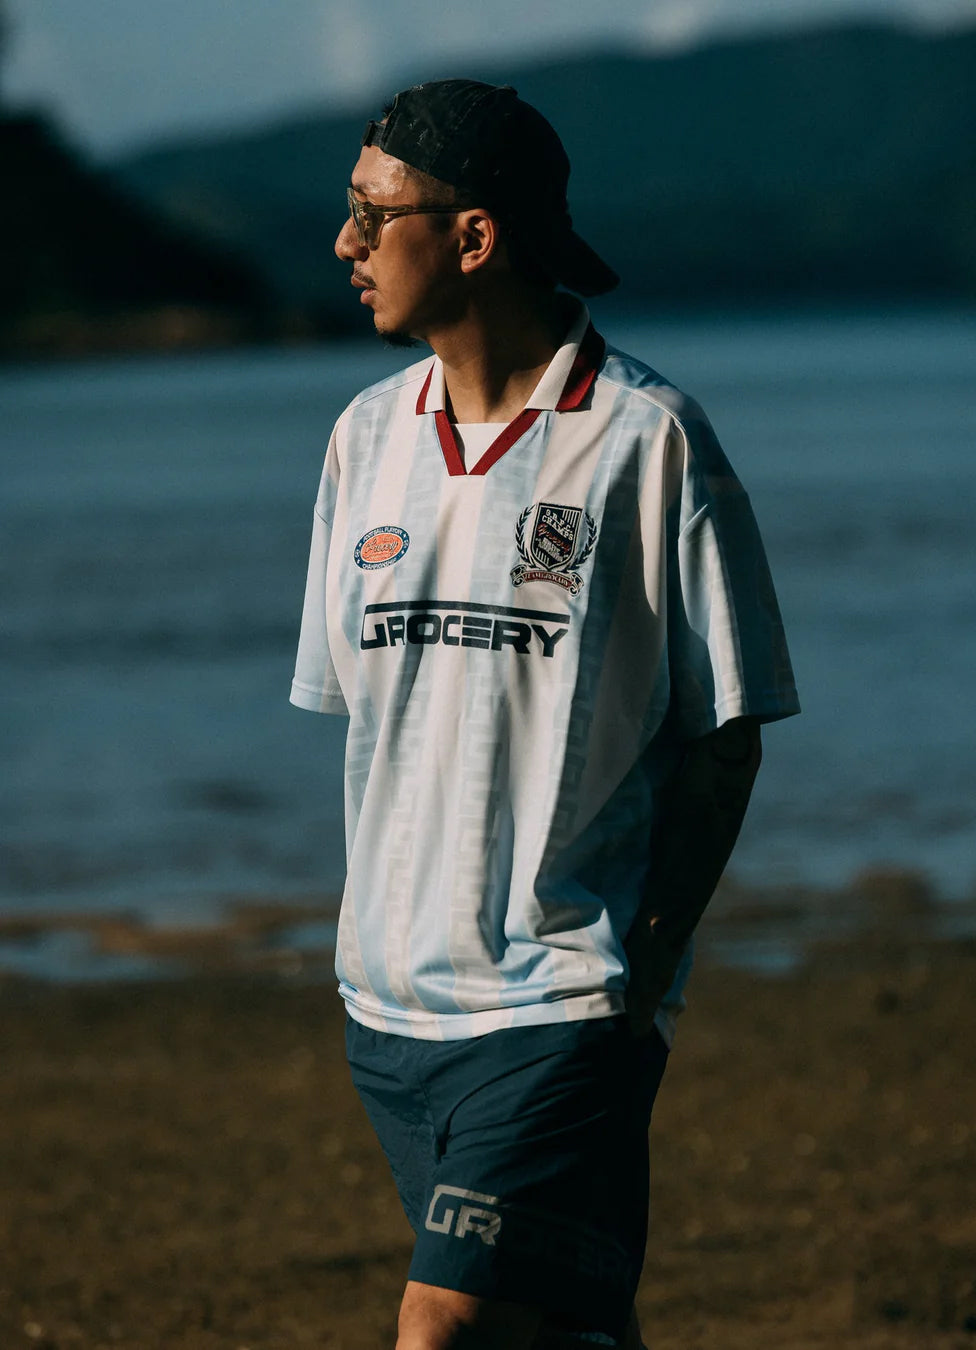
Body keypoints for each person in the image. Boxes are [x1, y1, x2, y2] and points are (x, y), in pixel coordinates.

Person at [291, 78, 799, 1350]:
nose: (345, 245)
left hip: (561, 1005)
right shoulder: (363, 440)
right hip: (387, 1015)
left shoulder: (650, 442)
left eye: (370, 212)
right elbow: (364, 716)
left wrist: (643, 976)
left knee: (441, 1329)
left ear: (473, 237)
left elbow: (724, 734)